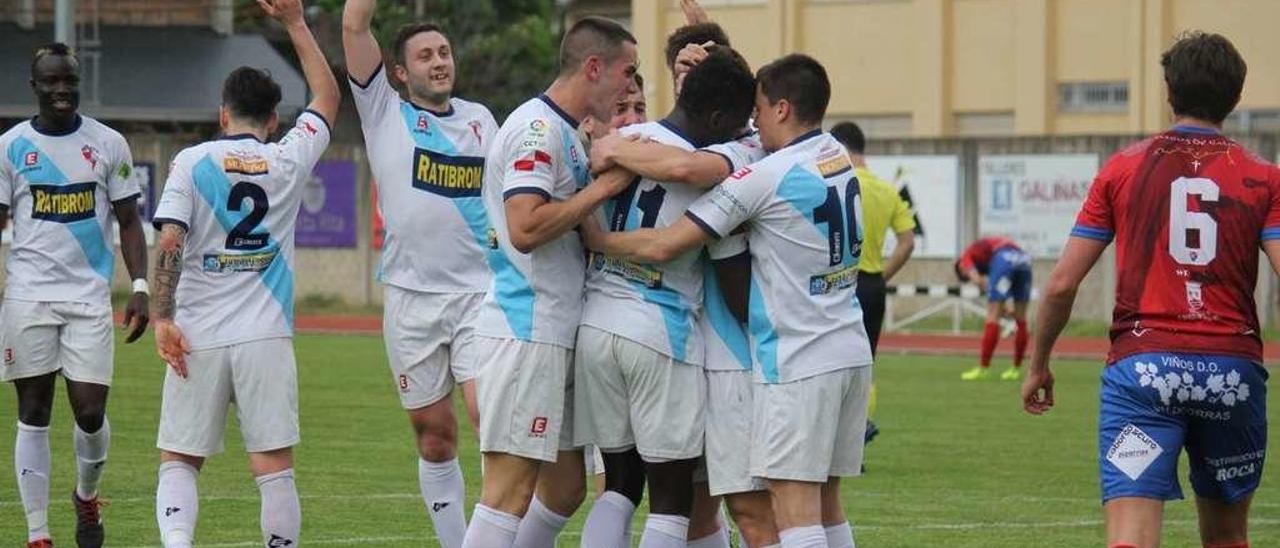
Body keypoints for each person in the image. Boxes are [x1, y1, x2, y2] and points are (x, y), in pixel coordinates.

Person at [583, 53, 868, 548]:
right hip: (845, 345)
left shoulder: (753, 169)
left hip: (786, 356)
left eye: (758, 109)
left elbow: (670, 235)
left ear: (781, 108)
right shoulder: (835, 154)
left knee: (780, 509)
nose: (751, 123)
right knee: (819, 504)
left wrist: (600, 237)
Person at [1023, 31, 1270, 548]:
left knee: (1131, 536)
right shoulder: (1264, 178)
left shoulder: (1123, 168)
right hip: (1231, 372)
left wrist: (1039, 360)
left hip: (1145, 374)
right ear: (1237, 96)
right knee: (1228, 537)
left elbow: (1063, 282)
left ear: (1168, 89)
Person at [148, 1, 338, 546]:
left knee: (180, 459)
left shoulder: (192, 161)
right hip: (265, 332)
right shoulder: (289, 158)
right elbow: (327, 98)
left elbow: (169, 240)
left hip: (198, 332)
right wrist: (297, 24)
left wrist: (163, 318)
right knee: (273, 466)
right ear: (274, 120)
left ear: (222, 113)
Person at [459, 16, 637, 548]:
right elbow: (526, 226)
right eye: (627, 73)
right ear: (593, 67)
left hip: (555, 330)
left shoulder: (566, 131)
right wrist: (602, 190)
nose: (631, 87)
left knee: (563, 488)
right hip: (526, 330)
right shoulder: (536, 130)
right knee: (508, 491)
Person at [575, 47, 756, 548]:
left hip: (596, 323)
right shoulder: (716, 164)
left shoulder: (626, 139)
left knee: (619, 486)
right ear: (718, 117)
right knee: (674, 502)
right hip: (660, 331)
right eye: (736, 123)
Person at [341, 2, 499, 544]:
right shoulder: (383, 110)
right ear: (400, 72)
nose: (439, 62)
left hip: (481, 294)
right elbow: (354, 25)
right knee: (435, 437)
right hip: (410, 300)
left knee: (490, 420)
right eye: (425, 55)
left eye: (444, 52)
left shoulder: (483, 120)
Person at [0, 42, 151, 548]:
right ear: (35, 86)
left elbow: (129, 221)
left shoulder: (108, 144)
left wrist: (140, 286)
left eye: (69, 80)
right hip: (29, 296)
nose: (62, 89)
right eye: (51, 81)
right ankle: (37, 534)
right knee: (34, 411)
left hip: (88, 298)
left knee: (89, 413)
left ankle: (86, 496)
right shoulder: (11, 146)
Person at [829, 122, 915, 355]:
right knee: (865, 363)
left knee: (834, 361)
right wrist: (881, 276)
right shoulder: (887, 191)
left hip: (840, 284)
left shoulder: (834, 185)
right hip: (873, 286)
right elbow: (907, 242)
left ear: (840, 149)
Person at [954, 236, 1031, 381]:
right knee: (1021, 318)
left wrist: (984, 290)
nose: (967, 276)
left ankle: (984, 368)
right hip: (1023, 259)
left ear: (960, 268)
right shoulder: (988, 261)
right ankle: (1016, 369)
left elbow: (977, 279)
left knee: (992, 316)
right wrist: (1007, 305)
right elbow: (1003, 284)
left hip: (1003, 257)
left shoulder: (965, 257)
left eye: (965, 276)